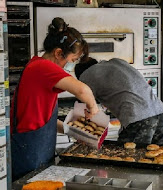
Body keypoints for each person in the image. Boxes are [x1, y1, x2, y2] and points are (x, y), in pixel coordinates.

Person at [10, 17, 99, 181]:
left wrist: (72, 131)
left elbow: (42, 119)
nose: (69, 66)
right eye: (71, 60)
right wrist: (93, 108)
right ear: (58, 53)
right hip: (28, 150)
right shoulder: (43, 67)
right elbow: (82, 90)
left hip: (34, 147)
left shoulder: (37, 66)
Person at [75, 57, 163, 146]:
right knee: (159, 158)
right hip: (161, 113)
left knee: (128, 159)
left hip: (138, 119)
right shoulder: (117, 62)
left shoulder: (86, 76)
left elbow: (83, 106)